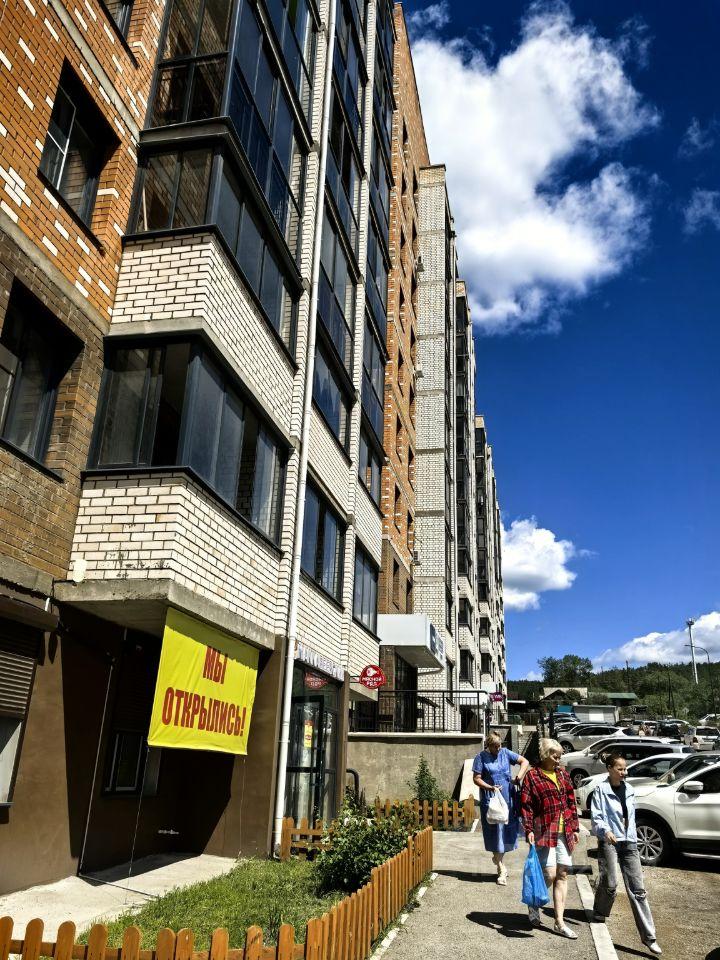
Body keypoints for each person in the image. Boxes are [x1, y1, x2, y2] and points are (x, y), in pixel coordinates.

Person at [591, 753, 662, 956]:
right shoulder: (601, 790)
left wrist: (632, 834)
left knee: (638, 889)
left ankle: (649, 938)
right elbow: (596, 817)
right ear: (610, 769)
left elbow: (630, 816)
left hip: (629, 841)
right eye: (620, 769)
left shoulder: (629, 789)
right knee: (610, 883)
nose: (625, 772)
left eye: (625, 768)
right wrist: (606, 831)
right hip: (609, 841)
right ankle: (600, 910)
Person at [520, 737, 580, 939]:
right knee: (549, 874)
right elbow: (526, 805)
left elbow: (571, 801)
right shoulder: (532, 776)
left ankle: (559, 922)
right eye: (555, 757)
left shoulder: (563, 774)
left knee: (562, 874)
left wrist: (575, 827)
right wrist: (528, 829)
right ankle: (534, 901)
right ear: (545, 755)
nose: (558, 760)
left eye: (560, 756)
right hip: (544, 830)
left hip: (565, 831)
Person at [472, 732, 530, 884]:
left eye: (499, 746)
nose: (498, 749)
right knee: (494, 833)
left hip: (507, 799)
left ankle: (498, 861)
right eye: (495, 746)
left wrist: (519, 776)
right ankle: (501, 868)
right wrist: (490, 787)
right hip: (491, 800)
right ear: (488, 746)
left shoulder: (505, 753)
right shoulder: (480, 757)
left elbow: (524, 761)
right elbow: (476, 778)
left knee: (504, 832)